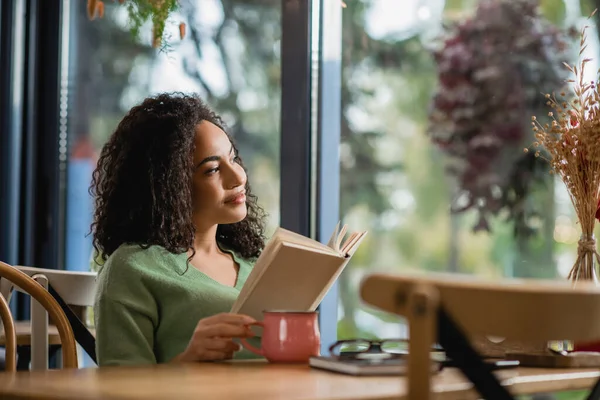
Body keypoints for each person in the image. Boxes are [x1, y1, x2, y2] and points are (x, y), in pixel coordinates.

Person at [90, 92, 267, 366]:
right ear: (170, 187)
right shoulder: (133, 269)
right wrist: (189, 360)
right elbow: (120, 389)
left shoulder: (258, 264)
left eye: (233, 159)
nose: (238, 177)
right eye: (212, 170)